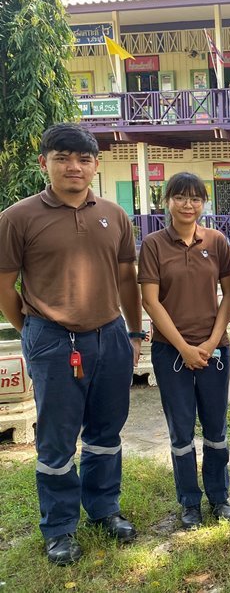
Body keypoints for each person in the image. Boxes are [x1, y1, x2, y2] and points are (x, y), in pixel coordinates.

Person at [0, 123, 142, 564]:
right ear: (45, 163)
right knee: (57, 440)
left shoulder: (115, 215)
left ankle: (104, 509)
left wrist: (134, 332)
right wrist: (31, 330)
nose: (74, 167)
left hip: (111, 335)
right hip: (53, 338)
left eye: (83, 159)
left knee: (106, 432)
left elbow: (126, 279)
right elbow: (6, 286)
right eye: (62, 158)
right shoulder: (17, 217)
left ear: (96, 166)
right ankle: (59, 527)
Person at [138, 173, 230, 529]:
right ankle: (189, 502)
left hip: (214, 352)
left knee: (216, 427)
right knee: (181, 431)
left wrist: (209, 345)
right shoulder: (153, 244)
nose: (188, 205)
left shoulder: (217, 241)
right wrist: (184, 347)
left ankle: (220, 496)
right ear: (168, 201)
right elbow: (151, 300)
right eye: (180, 197)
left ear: (204, 203)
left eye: (196, 198)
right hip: (171, 353)